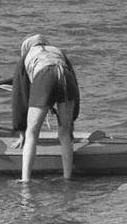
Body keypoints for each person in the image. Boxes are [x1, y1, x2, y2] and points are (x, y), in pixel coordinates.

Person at [10, 34, 80, 182]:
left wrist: (21, 130)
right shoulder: (57, 51)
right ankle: (67, 177)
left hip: (44, 76)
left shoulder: (26, 56)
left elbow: (20, 96)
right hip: (66, 77)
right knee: (65, 133)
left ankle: (25, 179)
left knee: (32, 132)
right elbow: (73, 79)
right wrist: (71, 120)